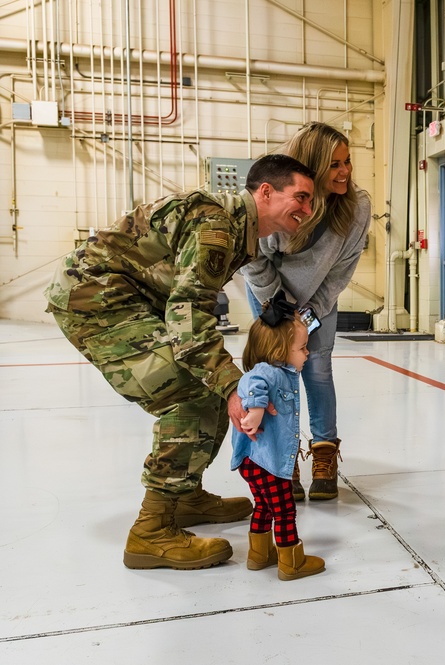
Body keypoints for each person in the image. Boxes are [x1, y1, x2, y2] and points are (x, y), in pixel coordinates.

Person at [45, 154, 316, 571]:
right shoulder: (218, 227)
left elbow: (188, 306)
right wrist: (230, 383)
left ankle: (184, 497)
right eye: (300, 196)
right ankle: (151, 531)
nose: (307, 209)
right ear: (266, 192)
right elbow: (188, 317)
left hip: (125, 298)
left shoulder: (236, 229)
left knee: (212, 386)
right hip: (96, 300)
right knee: (190, 395)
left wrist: (225, 382)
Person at [241, 122, 372, 502]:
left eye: (347, 162)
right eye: (334, 164)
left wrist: (312, 309)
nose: (344, 171)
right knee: (277, 374)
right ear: (313, 166)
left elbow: (344, 264)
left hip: (320, 297)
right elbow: (253, 256)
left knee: (317, 370)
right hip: (270, 295)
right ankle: (283, 461)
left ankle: (324, 456)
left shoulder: (356, 206)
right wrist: (276, 302)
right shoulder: (285, 194)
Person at [231, 292, 325, 581]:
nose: (306, 354)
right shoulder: (267, 372)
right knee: (285, 511)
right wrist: (257, 409)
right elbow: (251, 382)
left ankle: (259, 554)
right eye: (302, 348)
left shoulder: (283, 373)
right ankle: (290, 560)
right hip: (266, 461)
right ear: (278, 349)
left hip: (257, 462)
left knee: (264, 506)